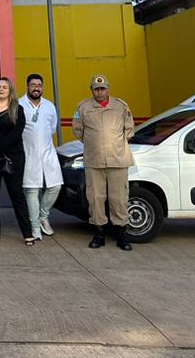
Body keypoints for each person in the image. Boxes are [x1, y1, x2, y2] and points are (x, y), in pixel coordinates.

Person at [75, 74, 136, 251]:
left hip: (117, 159)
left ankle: (121, 233)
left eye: (102, 88)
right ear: (91, 90)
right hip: (94, 160)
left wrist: (115, 144)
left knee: (119, 198)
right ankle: (99, 232)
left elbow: (129, 128)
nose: (99, 92)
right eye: (96, 89)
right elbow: (78, 129)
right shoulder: (83, 107)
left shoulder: (120, 106)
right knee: (95, 198)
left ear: (108, 89)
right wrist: (94, 143)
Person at [0, 77, 33, 244]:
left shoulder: (17, 109)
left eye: (4, 87)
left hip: (13, 158)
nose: (1, 89)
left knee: (16, 194)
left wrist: (0, 145)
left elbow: (16, 132)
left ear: (10, 90)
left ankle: (27, 232)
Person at [19, 74, 63, 244]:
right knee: (31, 191)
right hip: (27, 154)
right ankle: (35, 226)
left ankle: (43, 216)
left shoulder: (49, 106)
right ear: (27, 87)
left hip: (48, 153)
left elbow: (52, 128)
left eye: (39, 85)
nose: (36, 88)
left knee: (55, 186)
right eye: (33, 85)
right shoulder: (19, 104)